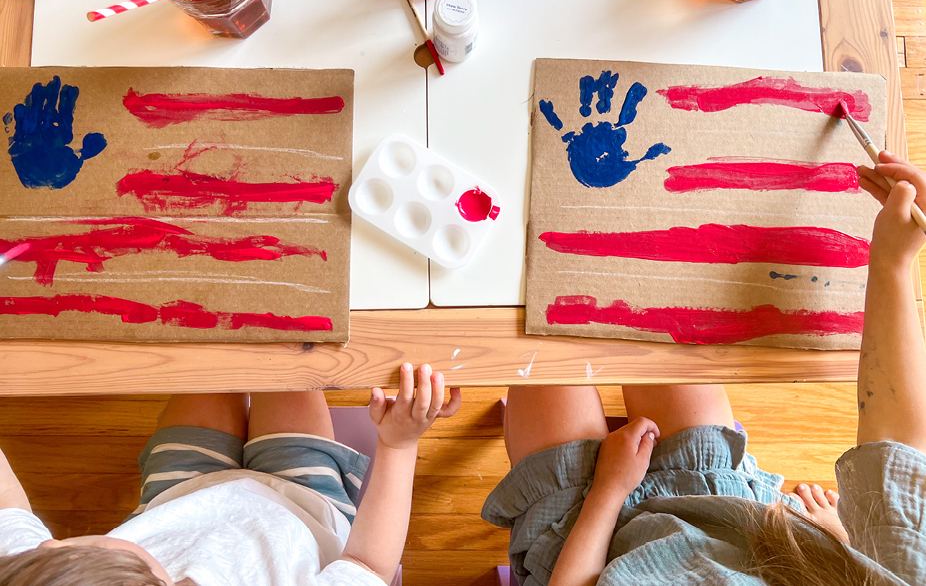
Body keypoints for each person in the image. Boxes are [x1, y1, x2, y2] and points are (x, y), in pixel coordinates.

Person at [483, 151, 926, 586]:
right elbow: (899, 449)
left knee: (542, 340)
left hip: (580, 549)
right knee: (664, 316)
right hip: (718, 501)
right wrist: (843, 548)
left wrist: (608, 490)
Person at [0, 363, 461, 586]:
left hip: (181, 491)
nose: (46, 539)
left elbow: (9, 513)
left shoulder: (36, 571)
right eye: (62, 543)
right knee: (284, 352)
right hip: (302, 500)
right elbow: (367, 566)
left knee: (214, 353)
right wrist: (399, 443)